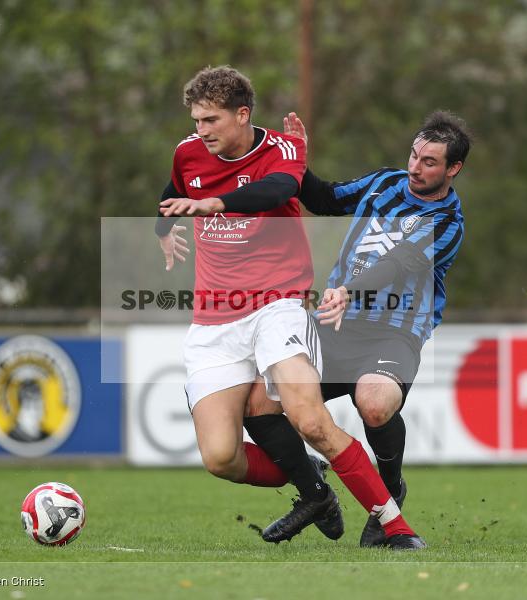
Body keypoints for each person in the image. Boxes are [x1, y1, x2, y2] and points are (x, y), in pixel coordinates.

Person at [156, 65, 425, 550]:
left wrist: (215, 204)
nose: (202, 131)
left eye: (211, 120)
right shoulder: (188, 152)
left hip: (277, 304)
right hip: (213, 319)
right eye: (197, 121)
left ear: (242, 114)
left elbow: (279, 191)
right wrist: (165, 228)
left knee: (309, 417)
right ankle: (315, 490)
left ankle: (394, 524)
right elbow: (175, 190)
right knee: (221, 458)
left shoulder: (282, 148)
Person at [248, 110, 469, 547]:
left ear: (453, 169)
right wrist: (297, 161)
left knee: (374, 402)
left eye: (429, 162)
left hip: (394, 332)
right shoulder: (384, 182)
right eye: (414, 154)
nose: (415, 167)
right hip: (335, 323)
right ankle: (315, 493)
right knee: (259, 404)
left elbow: (400, 263)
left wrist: (349, 288)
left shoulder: (448, 222)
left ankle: (388, 496)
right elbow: (325, 199)